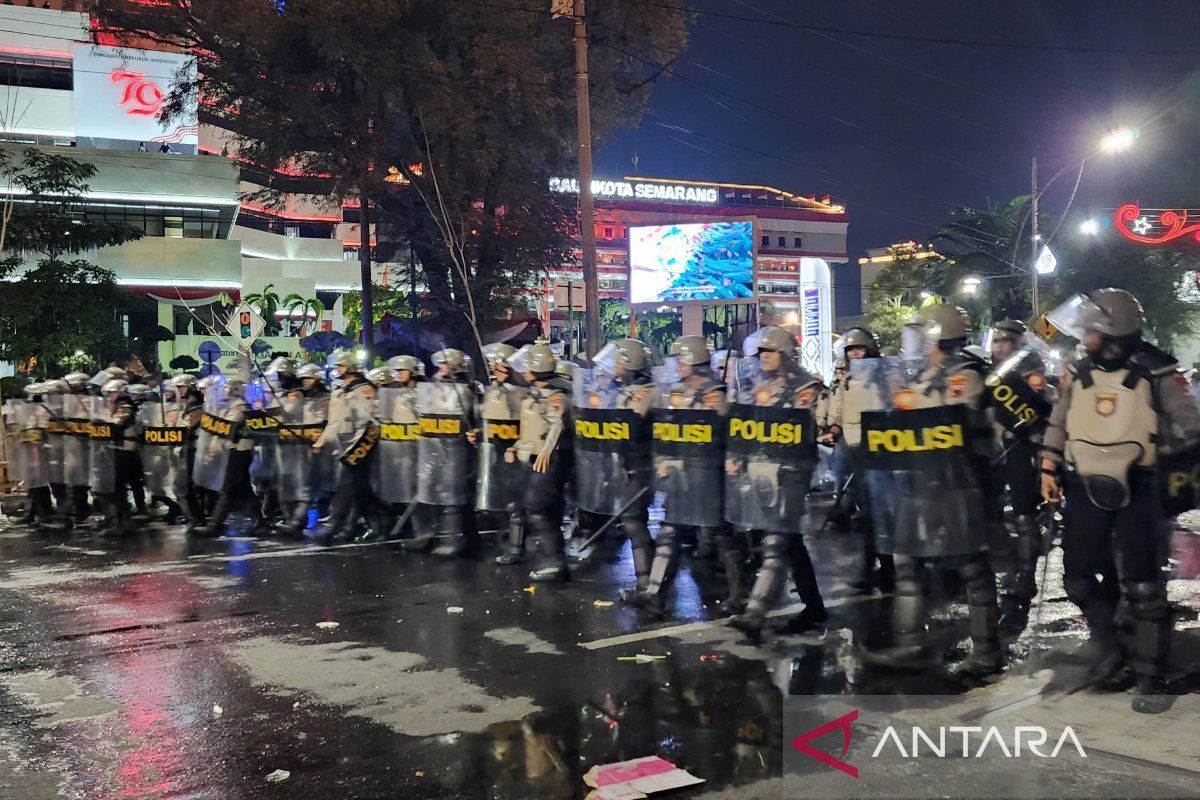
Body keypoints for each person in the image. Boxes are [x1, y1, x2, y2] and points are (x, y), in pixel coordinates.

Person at [1041, 288, 1200, 713]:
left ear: (1112, 332)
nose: (1083, 337)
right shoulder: (1077, 371)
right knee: (1077, 574)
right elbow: (1058, 424)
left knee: (1144, 585)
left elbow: (1190, 428)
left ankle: (1151, 674)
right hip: (1084, 487)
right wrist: (1048, 468)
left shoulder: (1156, 371)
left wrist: (1175, 469)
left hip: (1142, 487)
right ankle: (1110, 641)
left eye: (1090, 330)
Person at [863, 305, 1002, 676]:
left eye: (921, 332)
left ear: (938, 335)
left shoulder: (965, 376)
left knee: (972, 566)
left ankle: (987, 652)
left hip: (956, 483)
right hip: (917, 482)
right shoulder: (919, 376)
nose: (915, 340)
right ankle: (909, 643)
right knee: (906, 562)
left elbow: (957, 419)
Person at [726, 327, 828, 640]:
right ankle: (814, 607)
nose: (764, 358)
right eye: (761, 353)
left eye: (770, 352)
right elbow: (746, 426)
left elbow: (809, 424)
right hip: (765, 470)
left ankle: (756, 612)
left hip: (793, 470)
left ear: (784, 353)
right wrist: (737, 454)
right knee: (791, 543)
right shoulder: (759, 387)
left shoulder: (806, 387)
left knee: (776, 540)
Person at [634, 335, 741, 618]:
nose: (678, 365)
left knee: (720, 536)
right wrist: (665, 458)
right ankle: (655, 595)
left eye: (682, 359)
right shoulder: (678, 392)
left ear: (694, 360)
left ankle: (740, 597)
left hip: (708, 472)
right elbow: (671, 431)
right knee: (669, 532)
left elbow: (722, 434)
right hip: (682, 473)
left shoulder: (714, 393)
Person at [984, 319, 1055, 636]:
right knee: (989, 515)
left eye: (1005, 341)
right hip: (991, 451)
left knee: (1026, 518)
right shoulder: (989, 375)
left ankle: (1024, 581)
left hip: (1022, 449)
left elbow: (1042, 414)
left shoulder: (1031, 373)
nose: (999, 347)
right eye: (995, 341)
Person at [822, 327, 894, 594]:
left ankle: (886, 569)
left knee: (879, 514)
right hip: (852, 451)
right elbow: (840, 412)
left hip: (877, 451)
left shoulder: (882, 376)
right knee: (865, 516)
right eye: (850, 350)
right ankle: (874, 568)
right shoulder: (847, 379)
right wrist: (833, 430)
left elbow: (890, 409)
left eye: (859, 349)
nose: (854, 354)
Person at [507, 344, 574, 582]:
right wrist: (515, 446)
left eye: (528, 365)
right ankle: (553, 559)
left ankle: (555, 562)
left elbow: (557, 424)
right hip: (532, 455)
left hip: (549, 459)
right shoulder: (533, 393)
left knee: (538, 507)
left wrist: (547, 451)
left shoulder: (556, 394)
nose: (523, 370)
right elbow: (529, 429)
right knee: (540, 507)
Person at [414, 349, 479, 556]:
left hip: (460, 449)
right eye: (440, 364)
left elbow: (478, 415)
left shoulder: (469, 389)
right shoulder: (433, 387)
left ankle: (456, 540)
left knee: (455, 497)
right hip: (435, 447)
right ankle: (430, 537)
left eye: (445, 364)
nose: (441, 368)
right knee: (434, 493)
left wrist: (476, 431)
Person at [310, 350, 378, 545]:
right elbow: (334, 422)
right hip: (341, 448)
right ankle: (377, 526)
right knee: (360, 491)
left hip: (359, 448)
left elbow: (367, 422)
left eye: (340, 366)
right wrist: (321, 442)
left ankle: (331, 529)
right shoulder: (339, 390)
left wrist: (357, 448)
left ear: (349, 367)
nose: (337, 370)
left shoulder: (363, 389)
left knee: (344, 488)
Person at [473, 343, 527, 563]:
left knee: (516, 504)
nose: (494, 369)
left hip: (514, 451)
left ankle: (515, 549)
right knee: (502, 501)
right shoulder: (493, 392)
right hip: (494, 452)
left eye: (499, 366)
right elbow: (488, 422)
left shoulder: (521, 395)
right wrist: (478, 433)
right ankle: (512, 540)